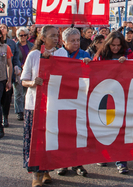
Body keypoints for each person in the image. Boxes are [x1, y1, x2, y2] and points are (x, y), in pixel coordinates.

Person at [21, 25, 67, 186]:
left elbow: (68, 76)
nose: (56, 38)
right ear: (42, 37)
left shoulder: (62, 53)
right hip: (34, 105)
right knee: (35, 141)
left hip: (53, 104)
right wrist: (33, 82)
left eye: (57, 35)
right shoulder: (34, 55)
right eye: (52, 36)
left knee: (50, 139)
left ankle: (46, 170)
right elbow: (23, 80)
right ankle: (36, 175)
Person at [94, 31, 133, 174]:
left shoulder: (128, 53)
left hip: (122, 96)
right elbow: (94, 70)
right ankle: (104, 155)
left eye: (118, 45)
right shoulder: (101, 54)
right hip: (104, 96)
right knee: (105, 126)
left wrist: (128, 64)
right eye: (113, 45)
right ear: (108, 44)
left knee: (120, 129)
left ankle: (121, 161)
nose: (116, 48)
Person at [55, 27, 91, 177]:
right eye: (73, 41)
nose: (76, 43)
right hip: (61, 97)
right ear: (64, 41)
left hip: (79, 97)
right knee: (62, 132)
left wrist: (89, 65)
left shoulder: (84, 54)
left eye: (78, 40)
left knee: (79, 132)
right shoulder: (57, 55)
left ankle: (78, 163)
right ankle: (62, 163)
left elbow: (90, 75)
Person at [0, 23, 20, 128]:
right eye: (0, 27)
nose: (2, 29)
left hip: (5, 78)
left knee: (6, 100)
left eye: (4, 27)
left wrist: (9, 79)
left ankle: (5, 117)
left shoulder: (9, 45)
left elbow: (11, 62)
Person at [14, 27, 33, 121]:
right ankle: (19, 112)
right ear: (18, 36)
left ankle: (26, 110)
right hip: (19, 70)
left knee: (27, 92)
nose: (23, 37)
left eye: (25, 35)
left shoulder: (31, 45)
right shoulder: (15, 46)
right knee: (18, 92)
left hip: (29, 71)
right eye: (21, 35)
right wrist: (21, 65)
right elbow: (15, 58)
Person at [0, 27, 13, 139]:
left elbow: (9, 65)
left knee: (2, 103)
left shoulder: (6, 47)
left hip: (2, 80)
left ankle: (1, 126)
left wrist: (9, 81)